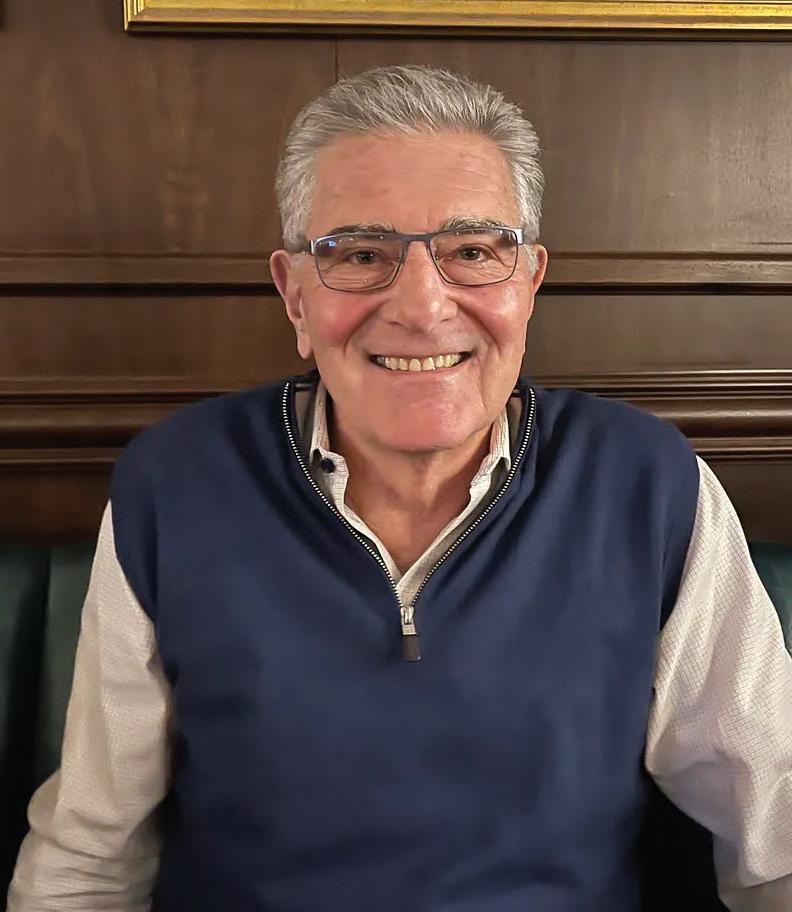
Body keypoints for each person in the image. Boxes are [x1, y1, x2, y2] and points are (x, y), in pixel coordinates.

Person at [7, 65, 792, 912]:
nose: (421, 306)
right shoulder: (177, 483)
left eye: (472, 252)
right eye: (361, 255)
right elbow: (90, 859)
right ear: (294, 295)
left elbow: (775, 832)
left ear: (528, 283)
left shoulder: (648, 484)